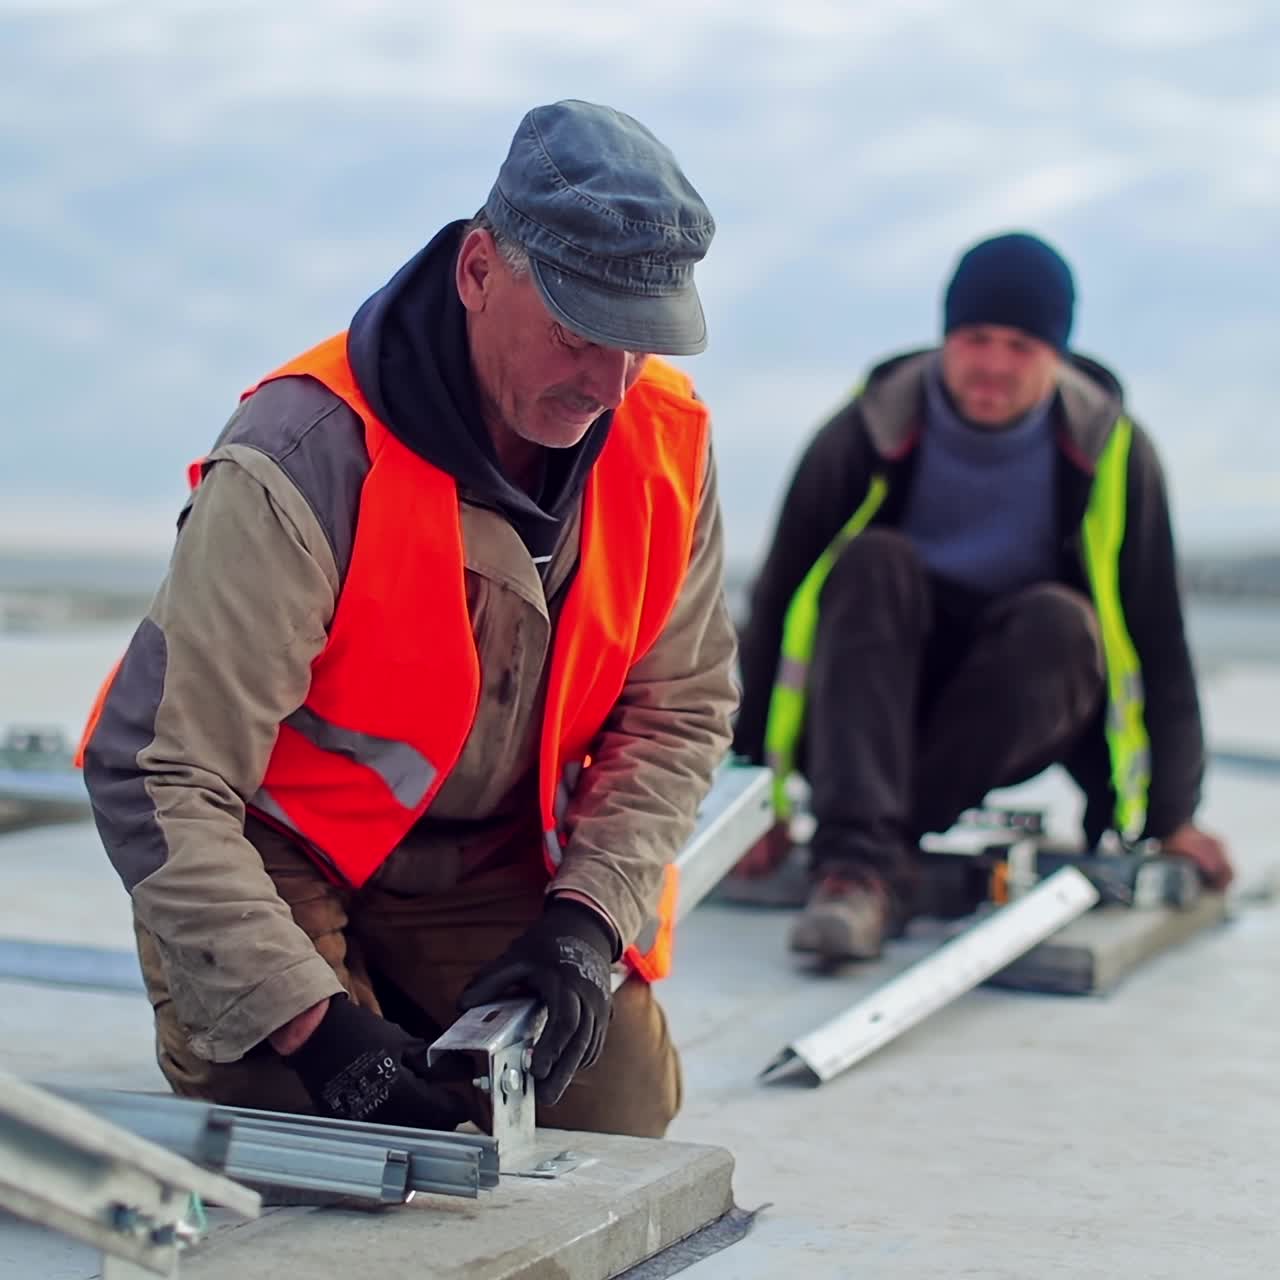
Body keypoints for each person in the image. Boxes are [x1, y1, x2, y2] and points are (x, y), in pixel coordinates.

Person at [80, 100, 737, 1139]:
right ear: (479, 270)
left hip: (482, 859)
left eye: (637, 346)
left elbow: (679, 709)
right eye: (576, 332)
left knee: (615, 1113)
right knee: (341, 1145)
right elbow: (154, 770)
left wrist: (583, 919)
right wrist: (309, 1025)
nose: (607, 385)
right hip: (275, 856)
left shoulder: (663, 442)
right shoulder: (301, 459)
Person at [731, 231, 1232, 962]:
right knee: (873, 561)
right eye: (976, 338)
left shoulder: (1112, 451)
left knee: (1063, 624)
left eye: (1020, 346)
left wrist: (1170, 817)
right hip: (863, 706)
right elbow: (776, 610)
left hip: (1006, 709)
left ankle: (866, 862)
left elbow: (1158, 640)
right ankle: (858, 870)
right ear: (944, 338)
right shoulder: (865, 431)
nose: (993, 365)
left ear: (1056, 354)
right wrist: (753, 804)